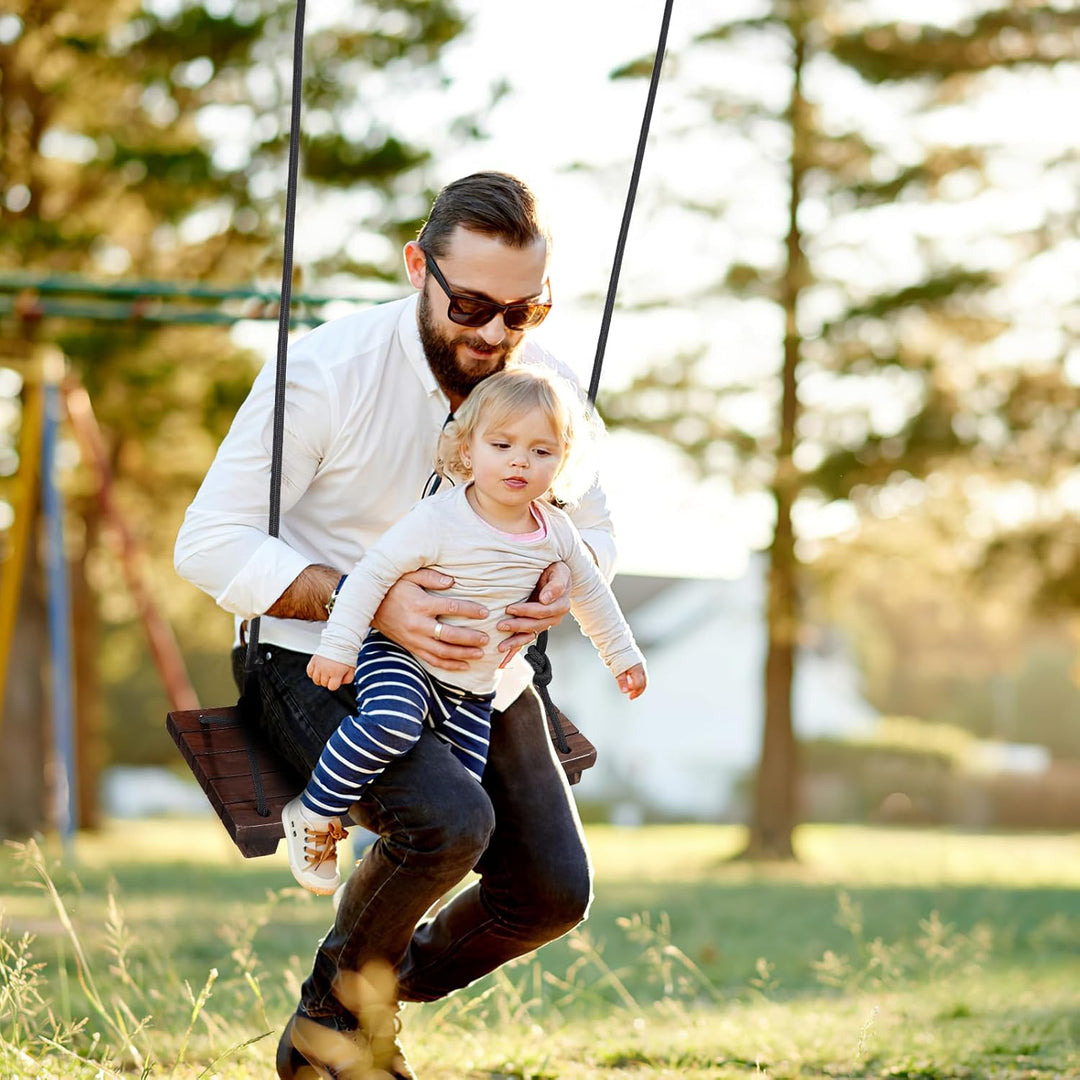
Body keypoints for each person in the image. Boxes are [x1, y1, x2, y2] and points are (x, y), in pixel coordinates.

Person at [174, 172, 627, 1080]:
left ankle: (351, 988)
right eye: (471, 305)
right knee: (450, 822)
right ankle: (341, 1032)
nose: (496, 335)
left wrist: (557, 588)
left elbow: (598, 533)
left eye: (523, 311)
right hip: (319, 662)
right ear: (418, 266)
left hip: (480, 674)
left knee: (550, 896)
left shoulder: (546, 389)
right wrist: (371, 601)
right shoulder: (322, 373)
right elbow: (208, 543)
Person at [284, 367, 647, 896]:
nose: (520, 460)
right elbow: (371, 576)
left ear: (563, 461)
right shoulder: (439, 518)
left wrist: (624, 658)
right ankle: (315, 811)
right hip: (402, 657)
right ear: (468, 449)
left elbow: (593, 597)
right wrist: (340, 648)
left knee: (459, 805)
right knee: (391, 722)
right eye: (502, 444)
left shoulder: (557, 532)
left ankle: (373, 869)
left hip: (473, 688)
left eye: (541, 451)